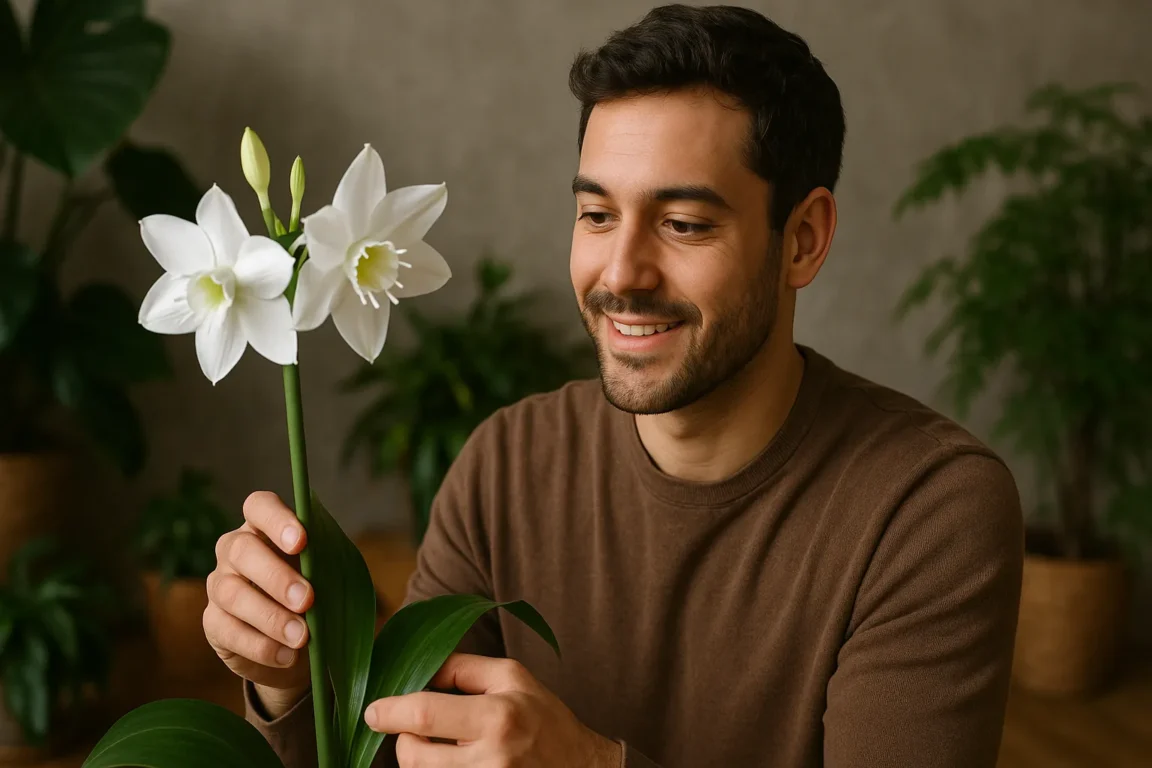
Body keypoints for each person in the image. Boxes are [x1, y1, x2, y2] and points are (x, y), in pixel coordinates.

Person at [203, 5, 1024, 767]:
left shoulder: (929, 509)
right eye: (597, 215)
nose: (620, 274)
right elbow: (406, 751)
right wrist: (293, 676)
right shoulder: (508, 463)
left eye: (684, 224)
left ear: (802, 240)